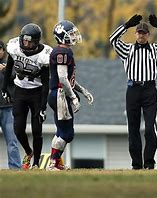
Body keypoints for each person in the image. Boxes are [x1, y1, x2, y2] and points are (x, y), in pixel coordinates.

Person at [109, 14, 157, 169]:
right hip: (132, 90)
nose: (141, 35)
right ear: (135, 34)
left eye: (144, 33)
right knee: (133, 129)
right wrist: (126, 25)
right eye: (139, 32)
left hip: (149, 91)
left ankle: (149, 163)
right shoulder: (128, 50)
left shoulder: (156, 50)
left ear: (148, 35)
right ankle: (136, 165)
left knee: (149, 128)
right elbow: (113, 40)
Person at [1, 23, 52, 169]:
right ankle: (29, 152)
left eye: (30, 41)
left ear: (36, 41)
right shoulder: (14, 47)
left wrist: (43, 106)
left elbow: (45, 82)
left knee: (37, 130)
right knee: (18, 129)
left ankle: (36, 163)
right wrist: (4, 88)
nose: (26, 43)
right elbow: (9, 66)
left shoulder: (44, 55)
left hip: (37, 91)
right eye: (24, 40)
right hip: (20, 90)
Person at [46, 20, 93, 171]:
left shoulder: (65, 51)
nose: (74, 36)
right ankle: (53, 162)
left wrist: (83, 91)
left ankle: (56, 162)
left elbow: (69, 79)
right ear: (62, 36)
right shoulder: (62, 52)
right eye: (70, 34)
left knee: (61, 131)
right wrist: (73, 97)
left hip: (58, 93)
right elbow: (62, 78)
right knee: (67, 134)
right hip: (60, 95)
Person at [0, 40, 21, 169]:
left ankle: (15, 167)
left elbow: (18, 78)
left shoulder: (10, 64)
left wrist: (5, 71)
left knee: (12, 141)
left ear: (3, 51)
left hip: (8, 108)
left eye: (0, 49)